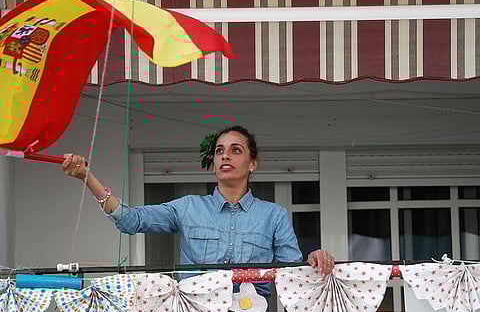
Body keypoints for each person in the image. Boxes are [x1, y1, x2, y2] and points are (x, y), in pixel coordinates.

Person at [62, 125, 335, 297]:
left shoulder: (274, 215)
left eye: (235, 150)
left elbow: (293, 274)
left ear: (253, 164)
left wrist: (315, 256)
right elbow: (131, 220)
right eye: (219, 151)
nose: (225, 156)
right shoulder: (188, 207)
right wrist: (88, 177)